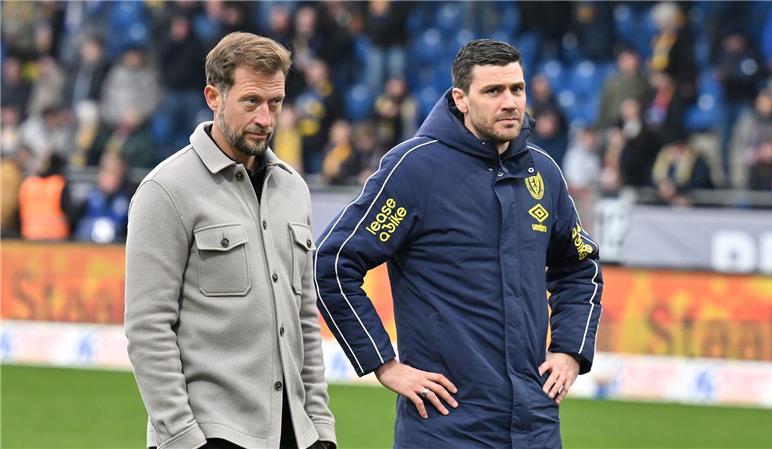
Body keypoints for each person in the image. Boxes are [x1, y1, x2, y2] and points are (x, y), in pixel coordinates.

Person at [315, 39, 603, 449]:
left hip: (535, 427)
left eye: (516, 89)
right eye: (493, 91)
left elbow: (580, 267)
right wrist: (384, 364)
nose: (509, 102)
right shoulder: (414, 168)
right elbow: (334, 262)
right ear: (460, 99)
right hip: (446, 428)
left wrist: (570, 350)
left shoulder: (544, 173)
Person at [125, 32, 335, 449]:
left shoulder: (295, 190)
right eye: (251, 101)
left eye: (275, 103)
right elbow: (148, 329)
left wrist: (321, 430)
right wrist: (183, 438)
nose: (266, 119)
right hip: (211, 434)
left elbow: (304, 322)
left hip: (297, 434)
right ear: (213, 97)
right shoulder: (165, 190)